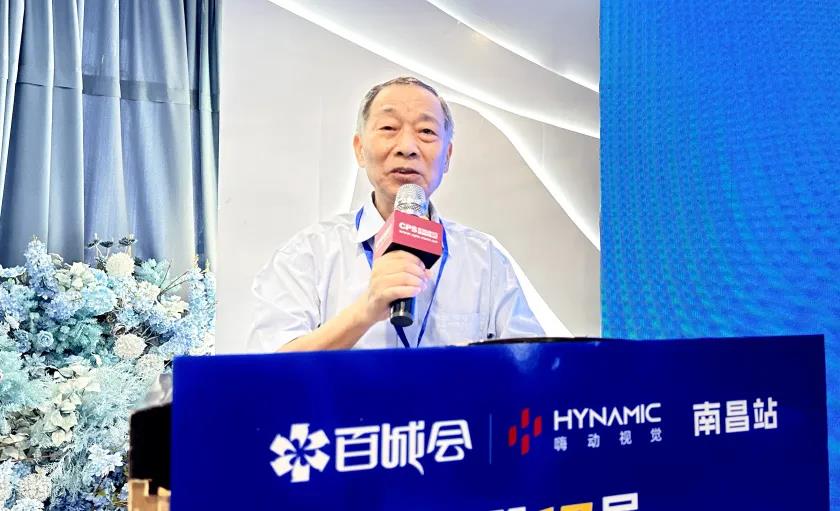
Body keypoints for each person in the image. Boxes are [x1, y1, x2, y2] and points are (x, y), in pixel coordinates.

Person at [248, 76, 544, 352]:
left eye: (426, 131)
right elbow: (268, 371)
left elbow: (533, 364)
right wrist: (364, 311)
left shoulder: (485, 260)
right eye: (389, 128)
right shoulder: (308, 255)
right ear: (360, 149)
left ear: (447, 157)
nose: (407, 147)